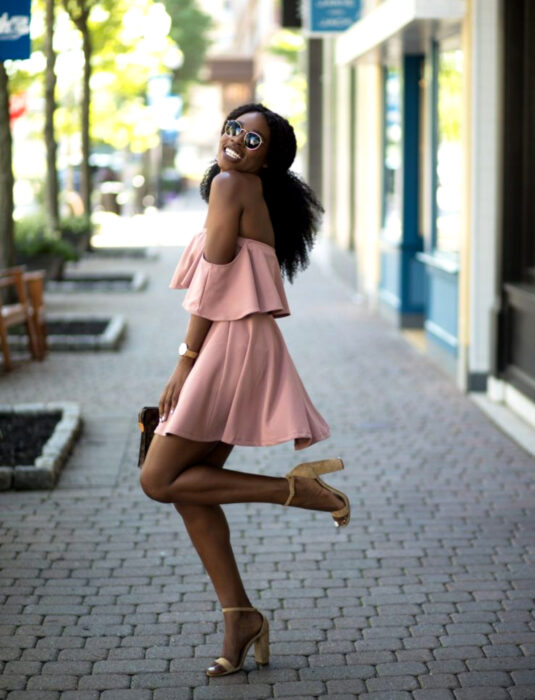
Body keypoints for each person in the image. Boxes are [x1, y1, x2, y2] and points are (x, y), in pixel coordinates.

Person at [139, 103, 350, 677]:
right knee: (189, 490)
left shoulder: (232, 185)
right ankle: (240, 617)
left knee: (158, 479)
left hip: (229, 346)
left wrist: (185, 361)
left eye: (252, 138)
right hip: (238, 342)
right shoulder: (236, 188)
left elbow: (212, 281)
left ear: (269, 158)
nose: (235, 141)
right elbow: (224, 280)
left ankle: (297, 493)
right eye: (232, 128)